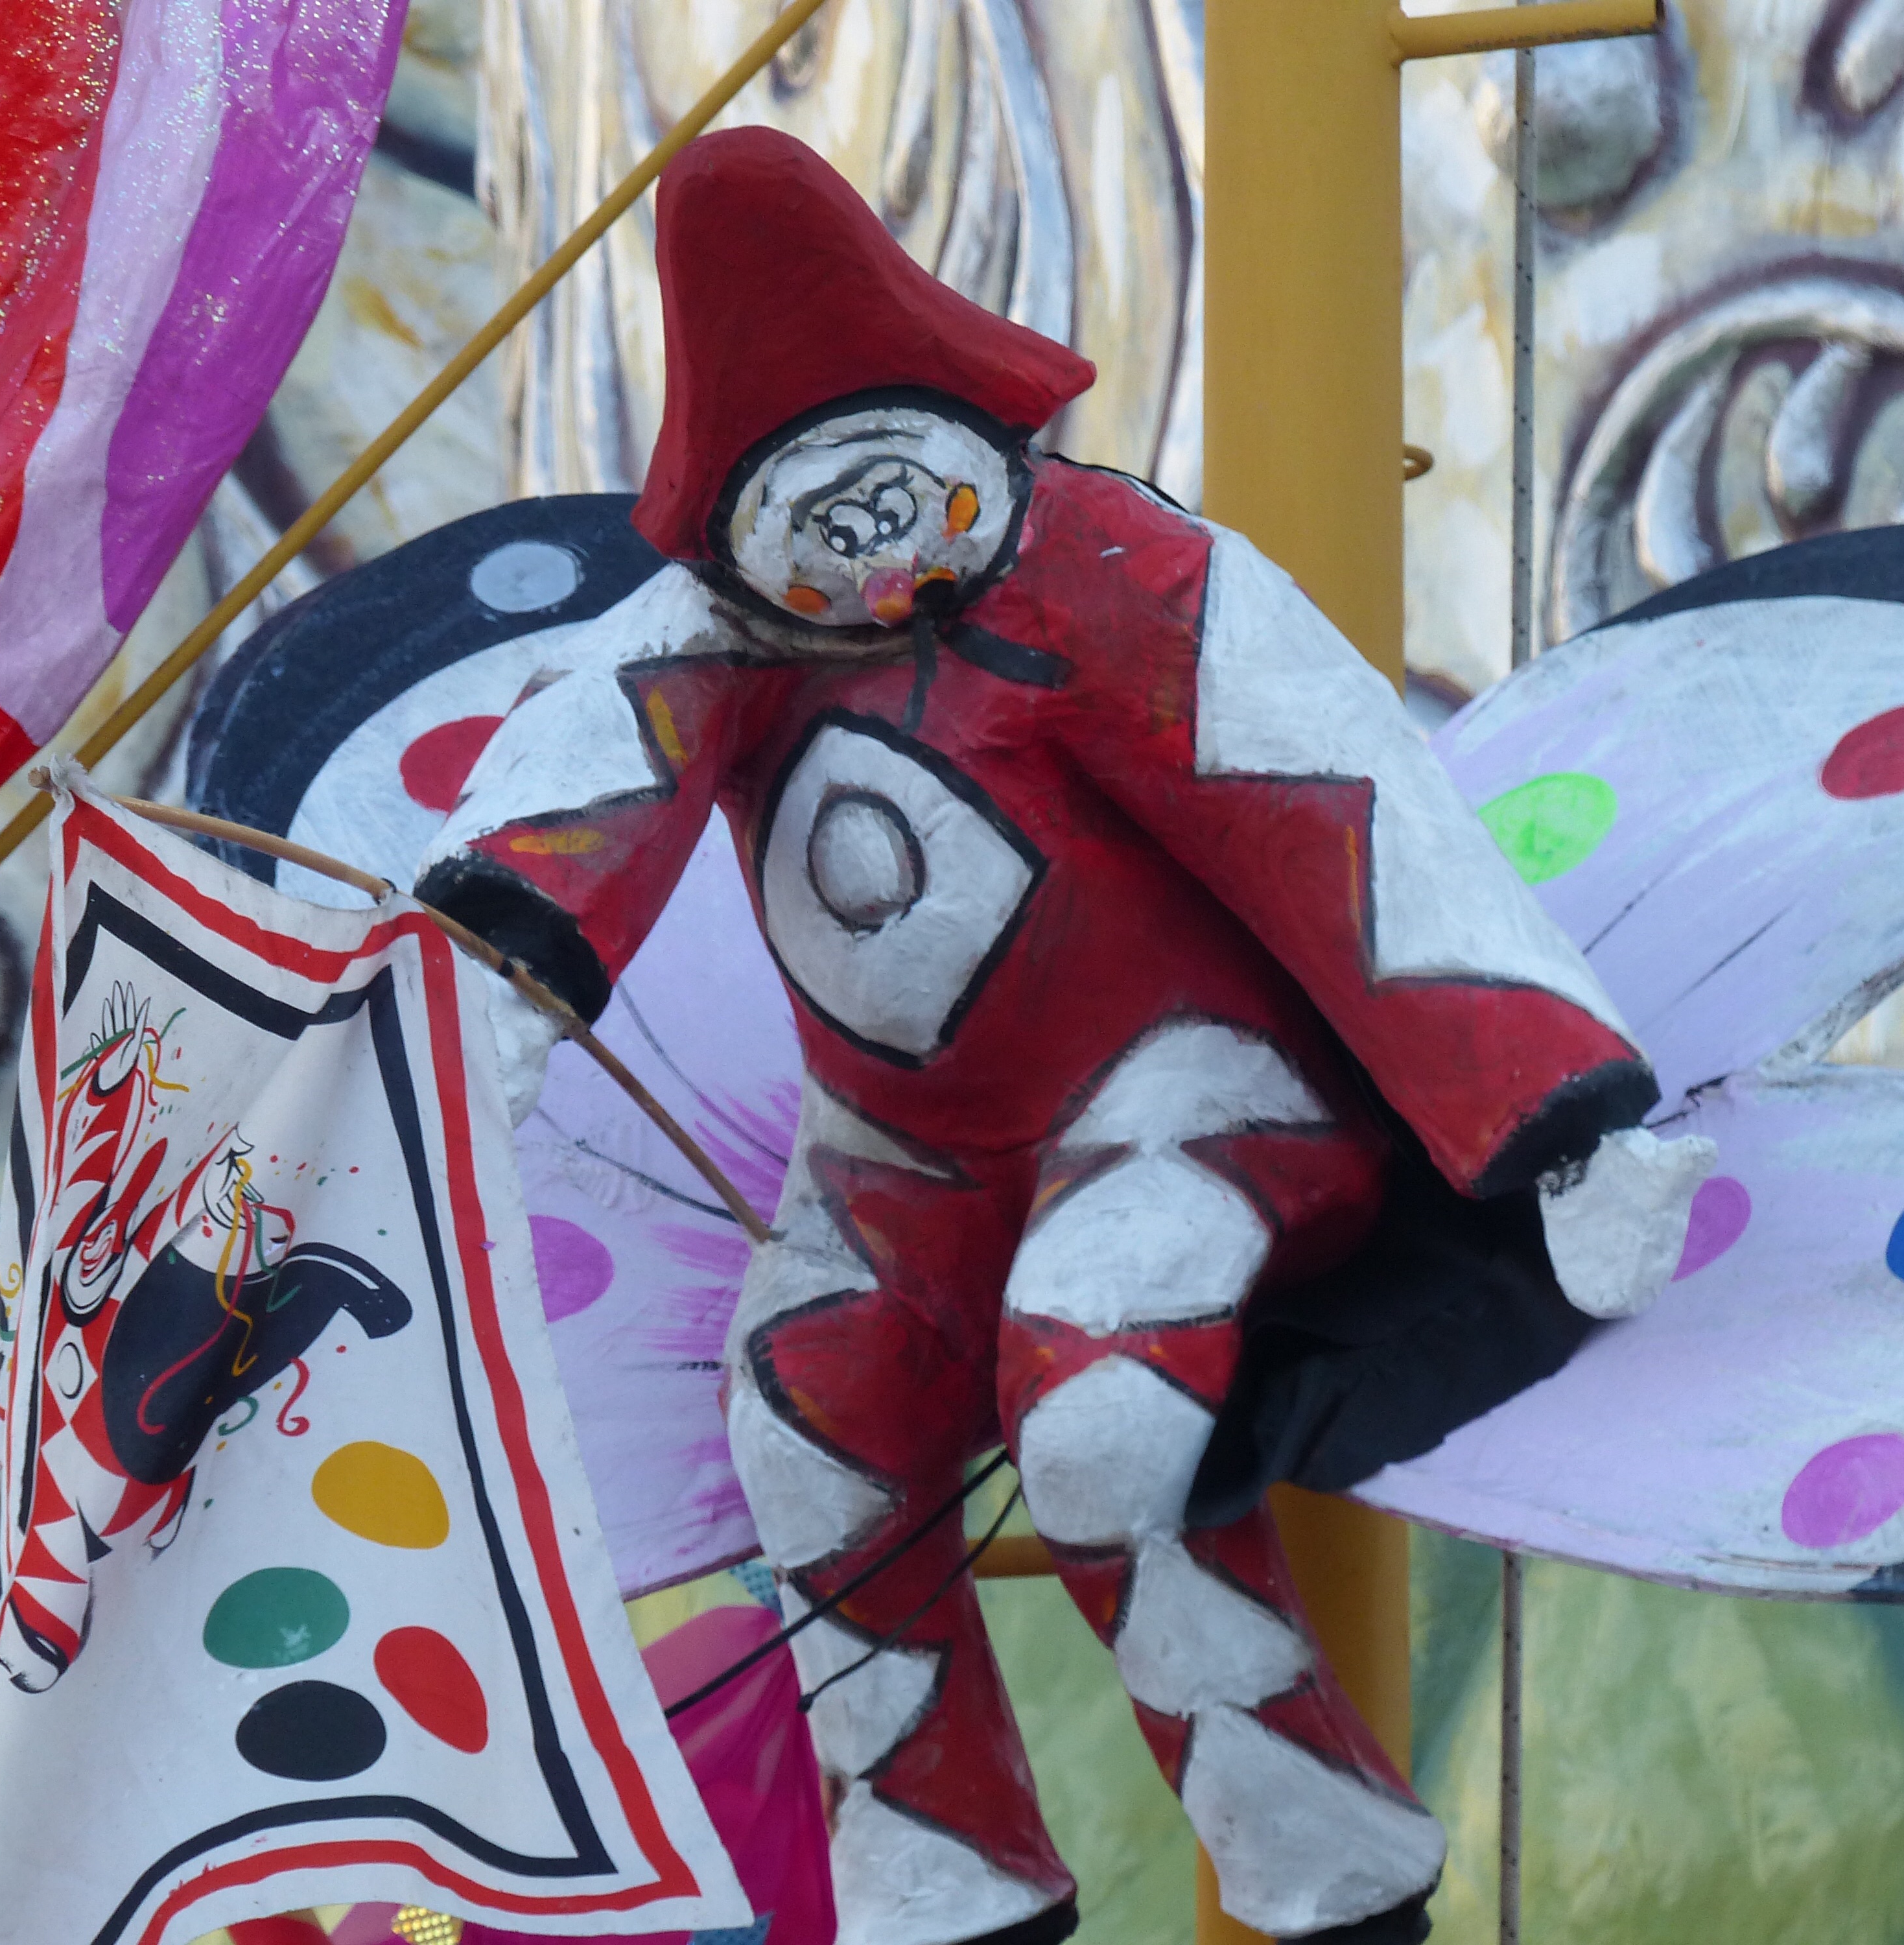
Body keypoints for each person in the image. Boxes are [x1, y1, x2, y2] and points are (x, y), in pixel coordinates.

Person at [419, 128, 1709, 1945]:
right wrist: (462, 1020)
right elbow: (569, 803)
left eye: (894, 506)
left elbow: (1343, 807)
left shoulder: (1110, 562)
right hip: (896, 1159)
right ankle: (942, 1878)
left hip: (1194, 1096)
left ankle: (1328, 1869)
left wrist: (1556, 1110)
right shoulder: (710, 636)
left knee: (1098, 1414)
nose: (881, 571)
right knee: (807, 1424)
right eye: (831, 529)